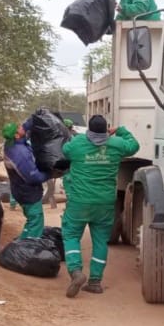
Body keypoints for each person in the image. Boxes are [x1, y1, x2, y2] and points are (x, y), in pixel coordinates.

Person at [60, 113, 139, 296]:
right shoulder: (116, 144)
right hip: (104, 203)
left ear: (89, 128)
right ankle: (95, 282)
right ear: (106, 130)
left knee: (71, 235)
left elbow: (65, 150)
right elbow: (134, 145)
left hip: (79, 201)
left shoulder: (78, 143)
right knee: (100, 241)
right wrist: (121, 130)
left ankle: (76, 272)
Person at [2, 121, 48, 239]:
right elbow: (33, 177)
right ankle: (30, 250)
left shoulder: (11, 144)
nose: (21, 126)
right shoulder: (19, 153)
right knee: (36, 221)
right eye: (18, 127)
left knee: (30, 220)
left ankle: (21, 244)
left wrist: (36, 117)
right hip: (28, 192)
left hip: (20, 190)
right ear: (17, 135)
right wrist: (49, 174)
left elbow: (26, 129)